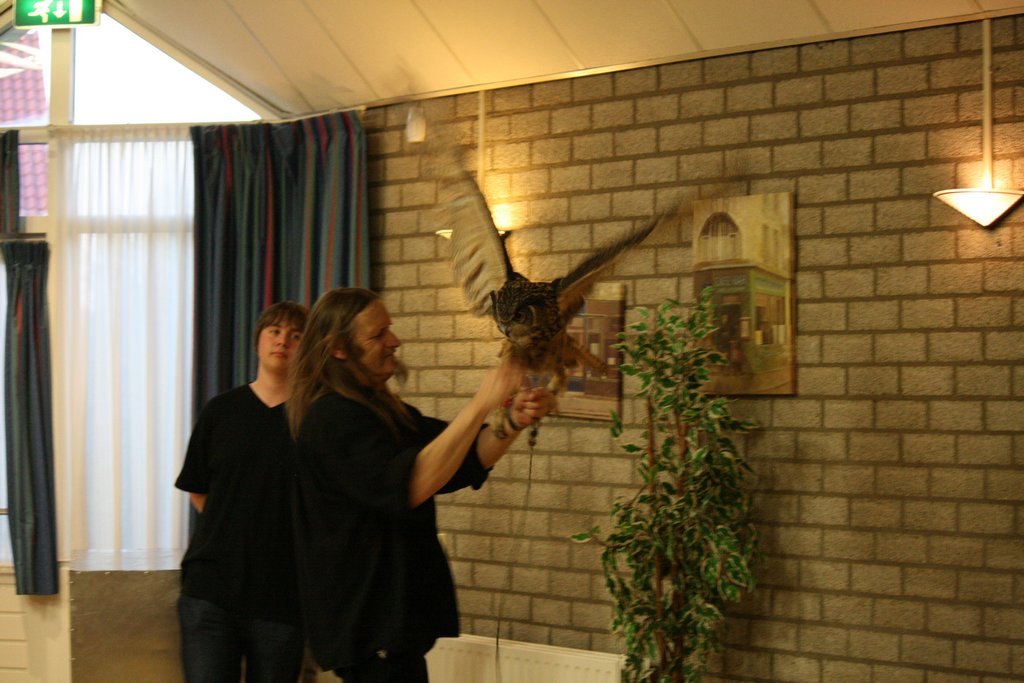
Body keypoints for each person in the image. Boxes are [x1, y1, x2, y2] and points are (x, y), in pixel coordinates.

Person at [287, 287, 553, 683]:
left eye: (389, 329)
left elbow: (464, 456)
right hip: (369, 628)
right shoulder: (332, 419)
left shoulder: (381, 409)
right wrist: (482, 402)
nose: (394, 341)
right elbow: (411, 484)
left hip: (398, 632)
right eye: (378, 335)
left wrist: (513, 420)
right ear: (338, 349)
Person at [175, 301, 309, 683]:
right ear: (258, 341)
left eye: (295, 335)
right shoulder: (221, 411)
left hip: (282, 595)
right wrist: (234, 528)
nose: (282, 341)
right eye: (274, 331)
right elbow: (197, 489)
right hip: (210, 590)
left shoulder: (314, 417)